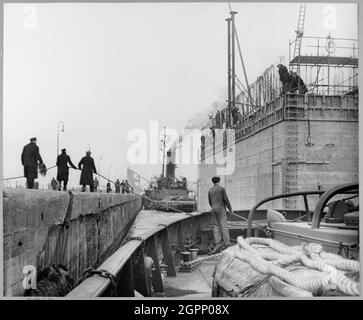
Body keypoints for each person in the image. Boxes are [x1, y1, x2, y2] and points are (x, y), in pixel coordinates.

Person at [208, 176, 232, 254]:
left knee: (216, 226)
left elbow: (210, 201)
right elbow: (226, 200)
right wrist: (230, 209)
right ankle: (227, 243)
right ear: (219, 181)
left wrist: (213, 207)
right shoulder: (221, 189)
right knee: (223, 226)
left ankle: (217, 242)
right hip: (221, 209)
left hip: (213, 209)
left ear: (213, 182)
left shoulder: (210, 190)